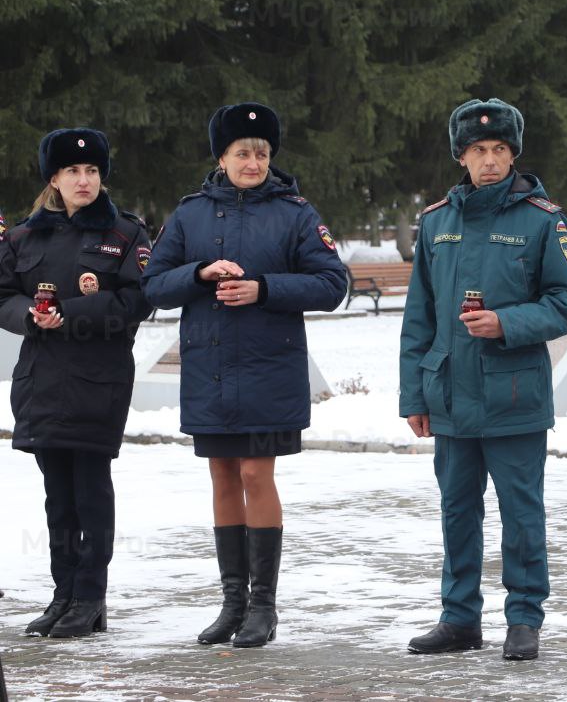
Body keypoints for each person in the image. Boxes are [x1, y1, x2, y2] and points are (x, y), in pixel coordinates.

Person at [141, 103, 346, 648]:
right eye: (241, 153)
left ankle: (264, 606)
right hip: (209, 369)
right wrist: (201, 273)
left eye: (261, 153)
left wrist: (265, 288)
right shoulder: (189, 215)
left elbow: (331, 284)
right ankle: (231, 603)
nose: (253, 161)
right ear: (222, 157)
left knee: (258, 475)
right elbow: (154, 285)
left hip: (268, 368)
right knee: (223, 478)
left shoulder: (296, 212)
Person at [399, 98, 567, 661]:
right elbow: (420, 318)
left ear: (513, 154)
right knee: (457, 511)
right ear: (462, 156)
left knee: (521, 512)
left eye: (500, 149)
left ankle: (524, 618)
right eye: (479, 150)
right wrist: (413, 393)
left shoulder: (542, 218)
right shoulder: (437, 222)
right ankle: (459, 618)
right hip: (451, 394)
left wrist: (506, 323)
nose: (490, 160)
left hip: (514, 395)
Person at [0, 128, 152, 638]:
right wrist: (28, 315)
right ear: (54, 179)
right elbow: (2, 296)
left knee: (90, 493)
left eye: (91, 171)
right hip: (41, 381)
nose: (83, 180)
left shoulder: (126, 233)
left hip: (98, 380)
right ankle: (63, 593)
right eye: (72, 172)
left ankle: (90, 596)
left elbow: (137, 300)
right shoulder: (23, 237)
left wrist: (69, 313)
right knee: (57, 497)